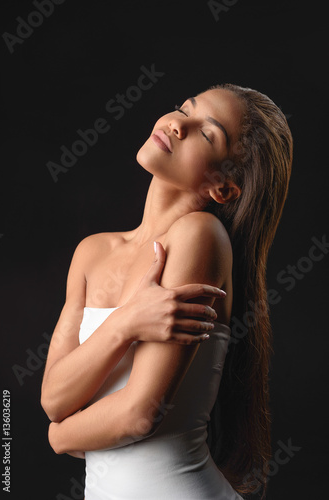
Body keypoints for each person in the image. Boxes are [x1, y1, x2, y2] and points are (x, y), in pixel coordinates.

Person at [41, 83, 293, 499]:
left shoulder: (200, 236)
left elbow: (139, 415)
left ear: (223, 189)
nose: (178, 124)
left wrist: (58, 438)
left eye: (207, 133)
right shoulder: (92, 252)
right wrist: (125, 323)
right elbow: (53, 399)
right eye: (184, 109)